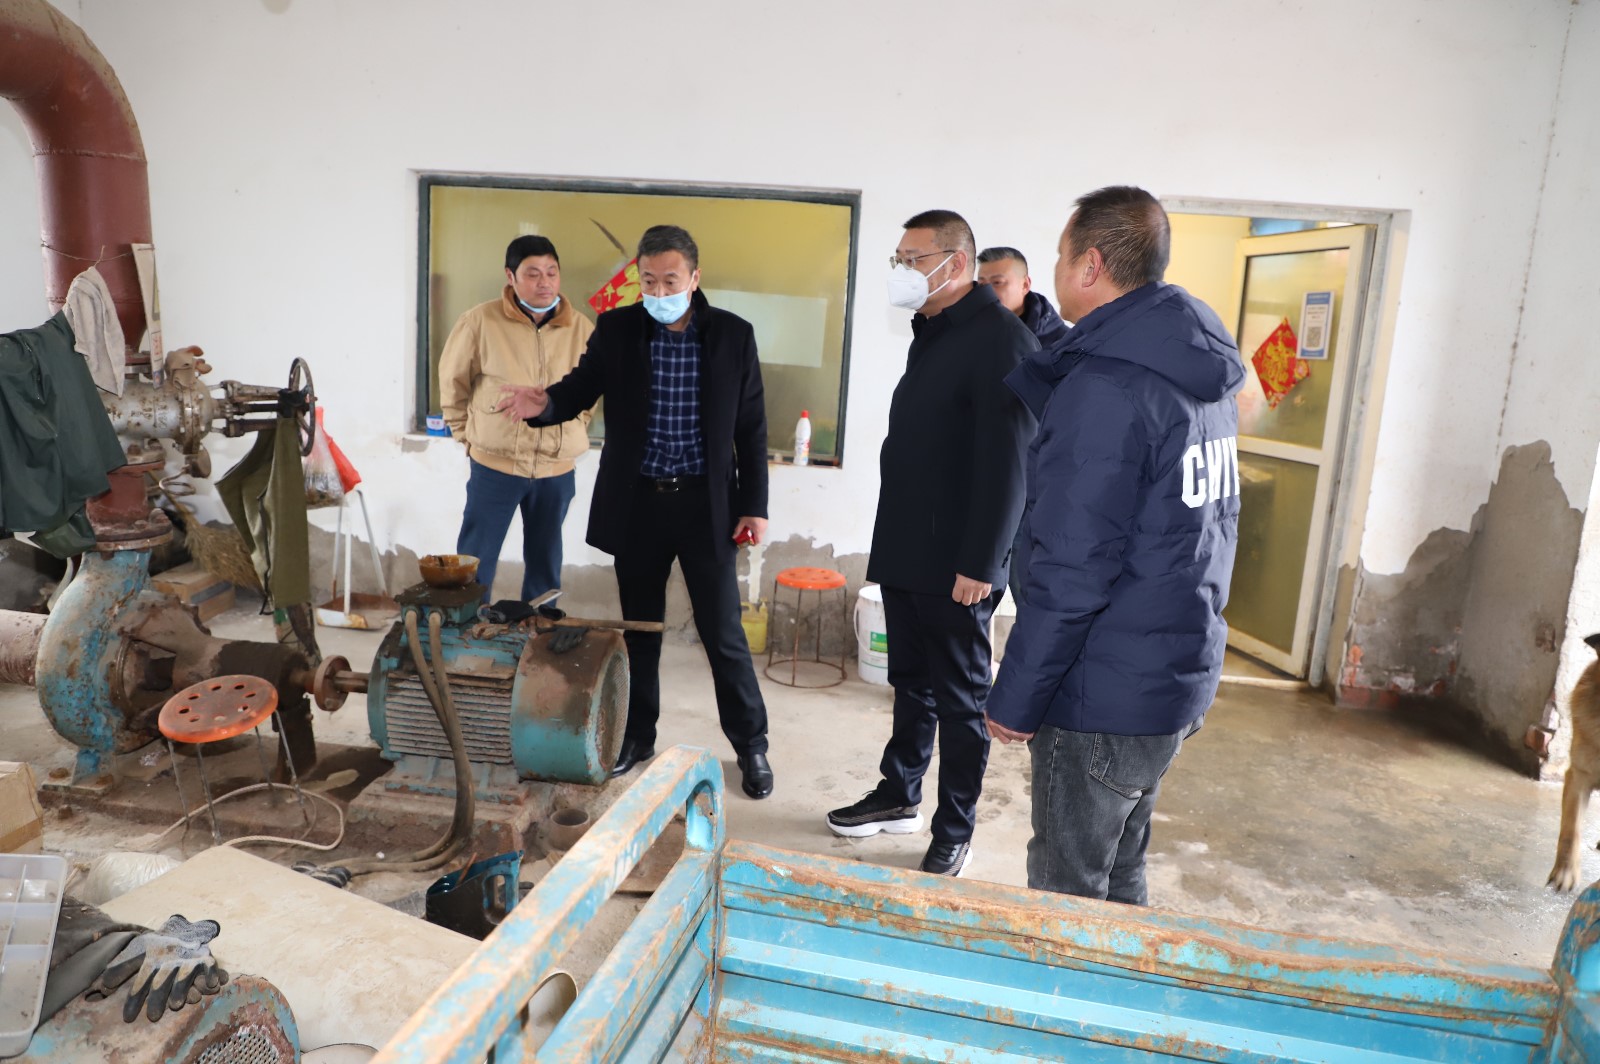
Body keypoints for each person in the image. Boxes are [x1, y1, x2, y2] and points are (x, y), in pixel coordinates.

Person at [986, 185, 1245, 906]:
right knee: (1121, 867)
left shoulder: (1107, 388)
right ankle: (1123, 978)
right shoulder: (1196, 373)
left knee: (1066, 891)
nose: (1057, 268)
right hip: (1168, 675)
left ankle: (1069, 986)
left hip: (1101, 691)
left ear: (1090, 265)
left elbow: (1073, 567)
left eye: (1061, 254)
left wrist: (1016, 697)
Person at [495, 225, 775, 799]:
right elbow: (579, 389)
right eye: (648, 281)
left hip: (705, 506)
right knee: (640, 631)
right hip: (640, 504)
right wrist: (545, 402)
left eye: (670, 281)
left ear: (694, 278)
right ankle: (638, 736)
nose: (659, 291)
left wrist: (754, 505)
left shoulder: (732, 336)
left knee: (723, 632)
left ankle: (752, 745)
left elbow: (751, 428)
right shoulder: (619, 329)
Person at [825, 210, 1037, 877]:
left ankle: (955, 829)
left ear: (957, 263)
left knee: (961, 700)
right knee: (910, 683)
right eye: (899, 260)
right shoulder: (935, 331)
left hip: (957, 565)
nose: (903, 272)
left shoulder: (1001, 341)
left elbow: (1009, 465)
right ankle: (899, 794)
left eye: (913, 260)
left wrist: (981, 562)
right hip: (908, 548)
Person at [438, 235, 594, 603]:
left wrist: (575, 427)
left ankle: (540, 629)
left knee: (546, 562)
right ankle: (468, 628)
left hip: (556, 469)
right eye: (533, 274)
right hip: (496, 466)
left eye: (552, 273)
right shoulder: (479, 321)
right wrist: (467, 437)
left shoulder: (582, 328)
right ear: (510, 276)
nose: (545, 282)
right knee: (475, 560)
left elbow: (589, 391)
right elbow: (453, 383)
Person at [977, 246, 1069, 606]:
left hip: (1037, 498)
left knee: (1033, 601)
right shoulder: (970, 337)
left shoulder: (1060, 348)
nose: (987, 292)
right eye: (980, 283)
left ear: (1025, 284)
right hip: (983, 491)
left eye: (997, 282)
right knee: (970, 602)